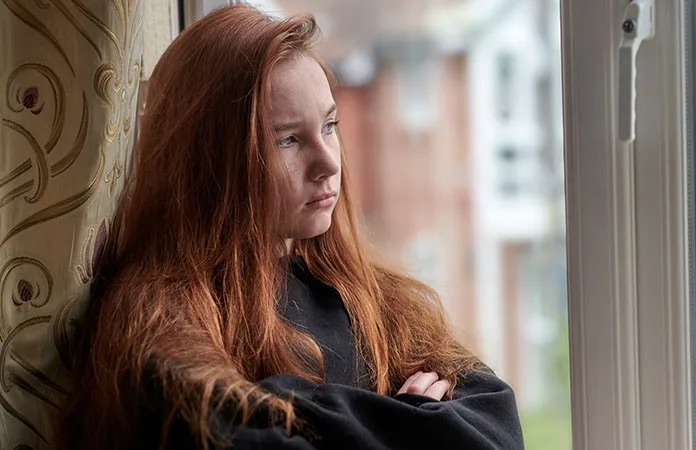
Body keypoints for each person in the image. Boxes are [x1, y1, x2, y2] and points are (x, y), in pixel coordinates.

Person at [55, 5, 523, 450]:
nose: (327, 163)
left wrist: (287, 403)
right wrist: (406, 417)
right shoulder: (156, 317)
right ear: (210, 160)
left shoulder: (372, 298)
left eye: (330, 125)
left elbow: (496, 425)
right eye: (288, 139)